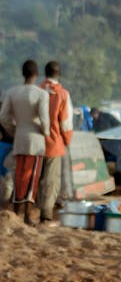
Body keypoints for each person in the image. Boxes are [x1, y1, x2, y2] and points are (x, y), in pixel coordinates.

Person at [0, 58, 50, 224]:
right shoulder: (41, 94)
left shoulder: (13, 92)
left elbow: (3, 117)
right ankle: (27, 216)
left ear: (23, 74)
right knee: (32, 177)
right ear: (36, 74)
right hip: (35, 141)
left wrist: (15, 131)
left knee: (19, 176)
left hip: (19, 138)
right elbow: (44, 119)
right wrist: (46, 133)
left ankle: (15, 212)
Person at [38, 61, 73, 222]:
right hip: (54, 143)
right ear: (59, 74)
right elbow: (65, 123)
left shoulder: (37, 90)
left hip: (36, 142)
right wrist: (67, 140)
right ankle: (46, 213)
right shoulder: (62, 94)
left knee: (36, 177)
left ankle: (32, 208)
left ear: (44, 74)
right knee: (52, 180)